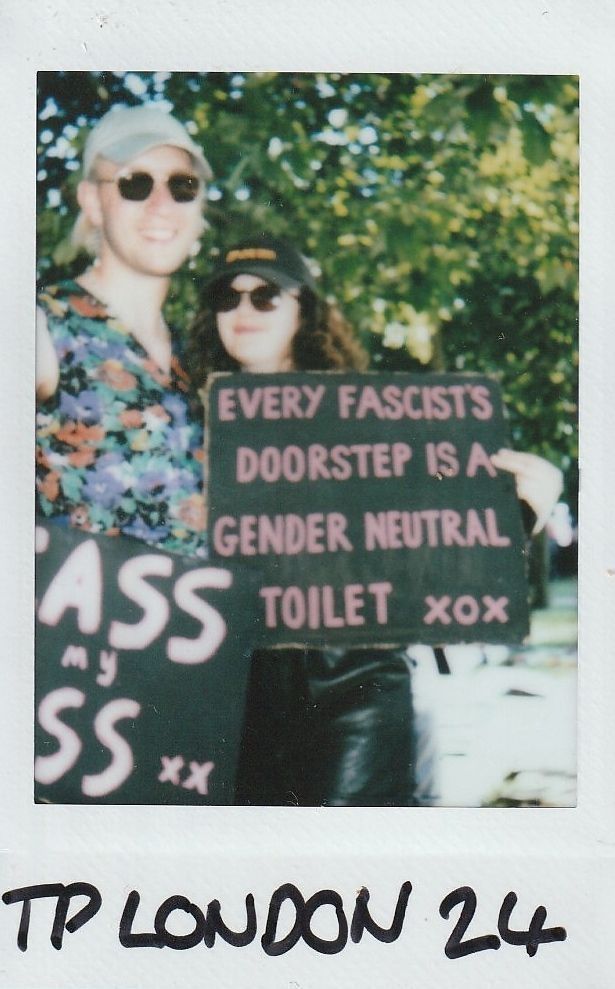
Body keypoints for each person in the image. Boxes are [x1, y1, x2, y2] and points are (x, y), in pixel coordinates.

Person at [191, 233, 564, 808]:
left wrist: (522, 510)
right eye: (227, 297)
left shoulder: (373, 426)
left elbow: (433, 558)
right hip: (232, 700)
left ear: (304, 312)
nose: (243, 311)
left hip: (352, 695)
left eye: (266, 296)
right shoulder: (186, 422)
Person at [36, 105, 211, 556]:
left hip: (197, 621)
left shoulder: (197, 358)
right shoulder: (42, 326)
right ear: (93, 202)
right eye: (135, 184)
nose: (161, 205)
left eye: (182, 185)